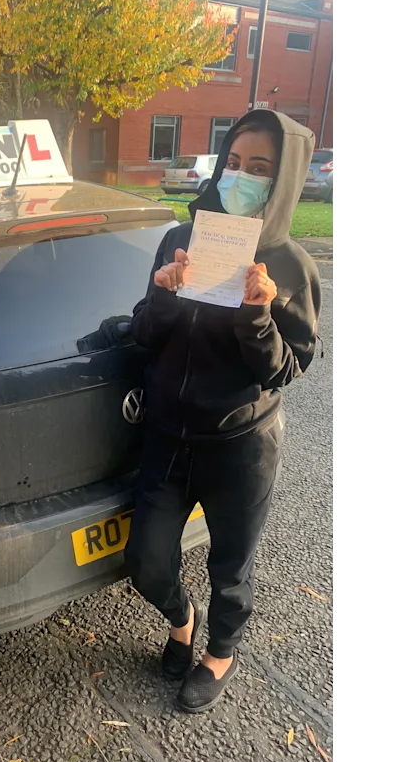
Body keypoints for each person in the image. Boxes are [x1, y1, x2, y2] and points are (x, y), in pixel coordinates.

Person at [125, 110, 322, 714]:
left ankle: (220, 652)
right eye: (233, 163)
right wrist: (162, 292)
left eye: (259, 170)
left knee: (231, 565)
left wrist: (257, 314)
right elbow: (144, 334)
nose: (241, 177)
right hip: (167, 434)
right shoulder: (180, 238)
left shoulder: (289, 266)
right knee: (147, 562)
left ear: (282, 181)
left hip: (241, 444)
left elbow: (287, 367)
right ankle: (182, 622)